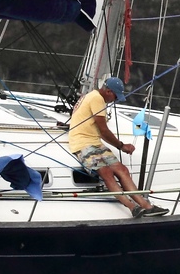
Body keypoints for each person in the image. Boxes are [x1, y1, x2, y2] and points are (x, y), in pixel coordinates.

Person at [65, 76, 166, 217]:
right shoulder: (97, 99)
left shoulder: (93, 96)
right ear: (108, 91)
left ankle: (146, 206)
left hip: (95, 142)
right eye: (115, 96)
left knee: (122, 170)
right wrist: (121, 146)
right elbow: (103, 131)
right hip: (82, 143)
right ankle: (132, 207)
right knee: (106, 172)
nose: (115, 100)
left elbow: (100, 132)